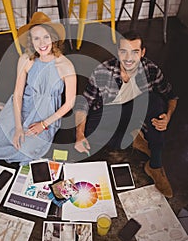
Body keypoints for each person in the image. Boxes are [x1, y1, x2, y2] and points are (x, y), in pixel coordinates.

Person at [74, 31, 178, 198]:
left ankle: (155, 165)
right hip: (110, 112)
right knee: (94, 138)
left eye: (135, 52)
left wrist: (168, 116)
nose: (129, 58)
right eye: (124, 51)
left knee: (156, 102)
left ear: (142, 52)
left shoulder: (151, 70)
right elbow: (83, 103)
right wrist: (79, 134)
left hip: (137, 109)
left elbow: (172, 97)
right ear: (118, 52)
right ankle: (135, 137)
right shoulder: (103, 71)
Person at [0, 12, 76, 165]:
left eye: (45, 37)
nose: (41, 43)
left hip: (45, 115)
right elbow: (18, 94)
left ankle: (3, 110)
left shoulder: (66, 65)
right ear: (31, 41)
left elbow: (69, 103)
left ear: (53, 38)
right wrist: (18, 127)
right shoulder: (26, 59)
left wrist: (43, 125)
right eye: (36, 38)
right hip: (23, 106)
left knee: (29, 152)